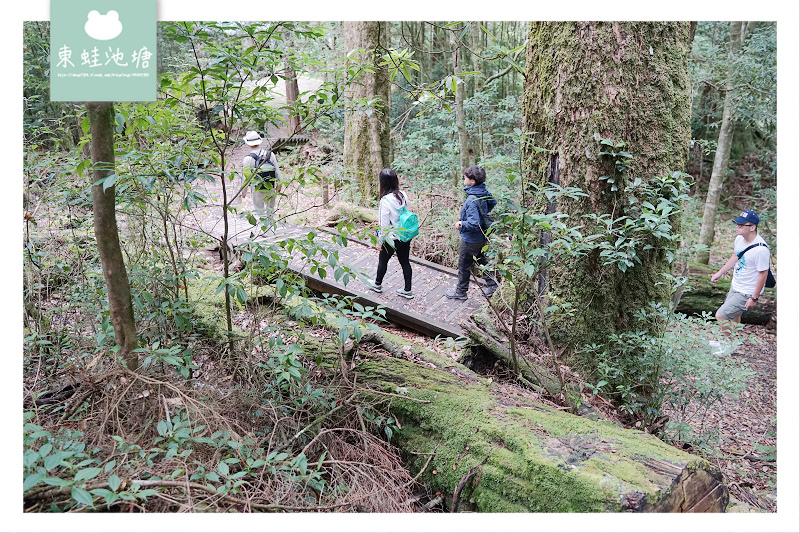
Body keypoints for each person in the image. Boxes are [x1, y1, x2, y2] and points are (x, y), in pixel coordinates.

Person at [709, 210, 770, 349]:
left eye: (741, 225)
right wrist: (720, 272)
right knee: (734, 315)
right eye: (737, 224)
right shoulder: (740, 240)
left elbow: (763, 275)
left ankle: (729, 345)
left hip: (747, 291)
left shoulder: (761, 250)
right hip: (736, 285)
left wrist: (754, 298)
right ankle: (730, 339)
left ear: (752, 227)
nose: (737, 227)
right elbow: (736, 256)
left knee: (721, 315)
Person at [446, 165, 499, 300]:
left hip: (471, 239)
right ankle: (493, 285)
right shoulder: (483, 191)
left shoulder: (471, 200)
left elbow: (474, 224)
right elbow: (493, 202)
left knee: (464, 265)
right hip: (482, 236)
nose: (464, 179)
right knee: (481, 259)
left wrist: (461, 223)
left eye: (466, 177)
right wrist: (484, 213)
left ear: (472, 181)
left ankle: (461, 292)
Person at [370, 168, 414, 299]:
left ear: (382, 182)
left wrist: (379, 241)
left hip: (391, 238)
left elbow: (383, 225)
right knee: (405, 262)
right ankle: (408, 290)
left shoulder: (385, 201)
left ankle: (377, 284)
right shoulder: (403, 194)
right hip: (404, 235)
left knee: (383, 261)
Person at [242, 130, 281, 224]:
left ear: (248, 144)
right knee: (270, 210)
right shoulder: (270, 154)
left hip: (257, 188)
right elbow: (277, 172)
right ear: (260, 141)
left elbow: (245, 178)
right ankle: (270, 230)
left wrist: (243, 192)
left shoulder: (248, 159)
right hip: (270, 186)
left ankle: (264, 231)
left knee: (259, 211)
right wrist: (279, 185)